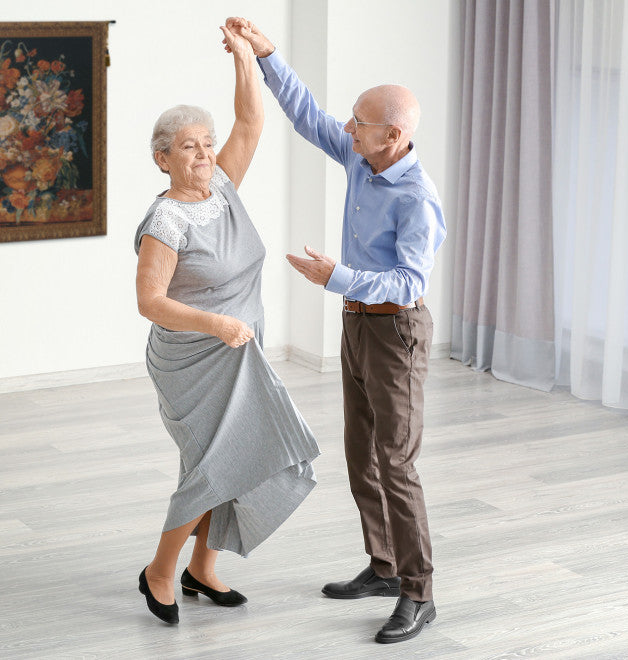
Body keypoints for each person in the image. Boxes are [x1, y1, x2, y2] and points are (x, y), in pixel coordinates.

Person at [226, 18, 447, 645]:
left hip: (396, 332)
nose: (347, 129)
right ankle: (383, 567)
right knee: (361, 458)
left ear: (394, 136)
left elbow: (408, 283)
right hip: (357, 325)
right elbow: (308, 116)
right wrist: (267, 56)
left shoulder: (417, 199)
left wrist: (337, 276)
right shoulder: (360, 152)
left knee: (396, 465)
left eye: (361, 122)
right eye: (352, 120)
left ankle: (418, 592)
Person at [133, 23, 320, 626]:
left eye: (207, 143)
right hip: (194, 358)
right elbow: (150, 302)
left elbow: (250, 123)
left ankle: (202, 569)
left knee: (238, 457)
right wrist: (214, 324)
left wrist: (245, 57)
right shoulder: (166, 222)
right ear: (162, 158)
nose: (205, 153)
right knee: (211, 465)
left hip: (244, 349)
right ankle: (160, 572)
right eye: (189, 146)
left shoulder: (224, 188)